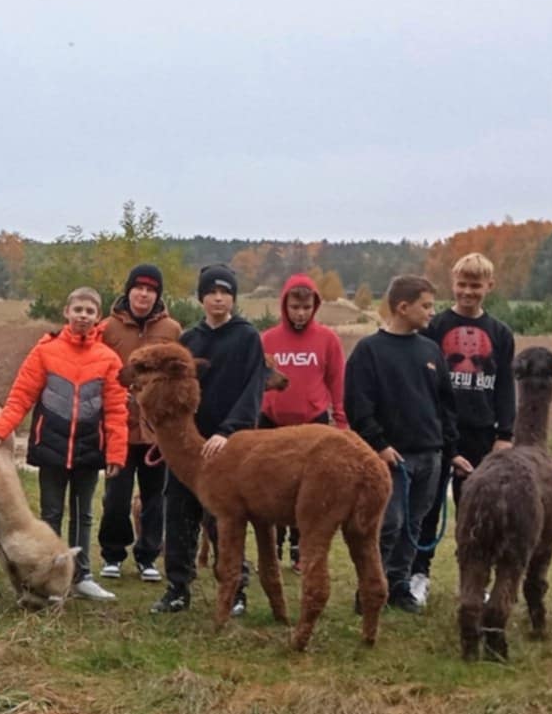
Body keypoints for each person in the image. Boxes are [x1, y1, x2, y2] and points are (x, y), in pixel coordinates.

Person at [0, 286, 128, 601]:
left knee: (83, 513)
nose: (83, 316)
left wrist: (116, 451)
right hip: (51, 448)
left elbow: (115, 410)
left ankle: (83, 575)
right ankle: (49, 570)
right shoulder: (45, 351)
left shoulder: (108, 359)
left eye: (89, 311)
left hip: (89, 449)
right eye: (78, 310)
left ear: (98, 317)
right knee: (51, 512)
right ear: (67, 312)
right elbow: (21, 396)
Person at [346, 275, 465, 614]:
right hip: (390, 459)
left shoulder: (430, 351)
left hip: (431, 456)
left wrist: (451, 450)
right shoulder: (369, 351)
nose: (432, 312)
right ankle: (370, 588)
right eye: (426, 306)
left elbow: (445, 406)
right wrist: (380, 445)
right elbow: (359, 406)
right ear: (403, 306)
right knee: (389, 524)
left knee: (413, 526)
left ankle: (398, 586)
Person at [153, 264, 267, 617]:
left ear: (233, 297)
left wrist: (228, 431)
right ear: (202, 297)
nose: (218, 298)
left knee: (224, 519)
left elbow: (253, 390)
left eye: (225, 292)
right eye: (212, 292)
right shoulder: (189, 340)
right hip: (188, 447)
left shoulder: (247, 337)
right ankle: (177, 587)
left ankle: (235, 589)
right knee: (179, 512)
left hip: (226, 445)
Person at [409, 252, 515, 605]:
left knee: (476, 514)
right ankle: (417, 575)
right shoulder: (434, 327)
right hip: (436, 434)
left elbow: (504, 387)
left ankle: (473, 580)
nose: (468, 292)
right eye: (462, 284)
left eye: (476, 285)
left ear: (490, 286)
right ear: (452, 285)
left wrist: (505, 434)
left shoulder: (500, 334)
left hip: (481, 436)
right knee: (426, 509)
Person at [97, 262, 183, 583]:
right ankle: (113, 553)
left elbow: (177, 376)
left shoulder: (171, 330)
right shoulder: (108, 329)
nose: (144, 295)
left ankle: (148, 555)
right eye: (139, 288)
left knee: (154, 497)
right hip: (119, 425)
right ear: (128, 291)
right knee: (116, 495)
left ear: (157, 295)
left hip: (156, 430)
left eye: (150, 290)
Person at [259, 272, 348, 570]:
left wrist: (341, 421)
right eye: (294, 307)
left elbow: (337, 382)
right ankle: (271, 548)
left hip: (312, 423)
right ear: (285, 306)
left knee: (309, 489)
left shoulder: (328, 340)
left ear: (314, 307)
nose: (300, 313)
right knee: (270, 488)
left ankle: (301, 549)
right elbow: (256, 380)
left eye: (306, 308)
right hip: (272, 422)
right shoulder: (268, 339)